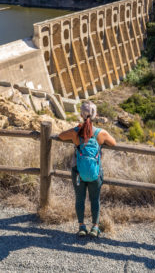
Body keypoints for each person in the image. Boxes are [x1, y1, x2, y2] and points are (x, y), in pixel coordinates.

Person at [58, 101, 116, 237]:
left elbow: (61, 136)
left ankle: (82, 227)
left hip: (78, 172)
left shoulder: (75, 132)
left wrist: (77, 128)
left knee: (80, 198)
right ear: (95, 115)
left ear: (81, 114)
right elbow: (114, 143)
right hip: (95, 173)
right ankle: (95, 227)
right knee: (95, 199)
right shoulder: (101, 133)